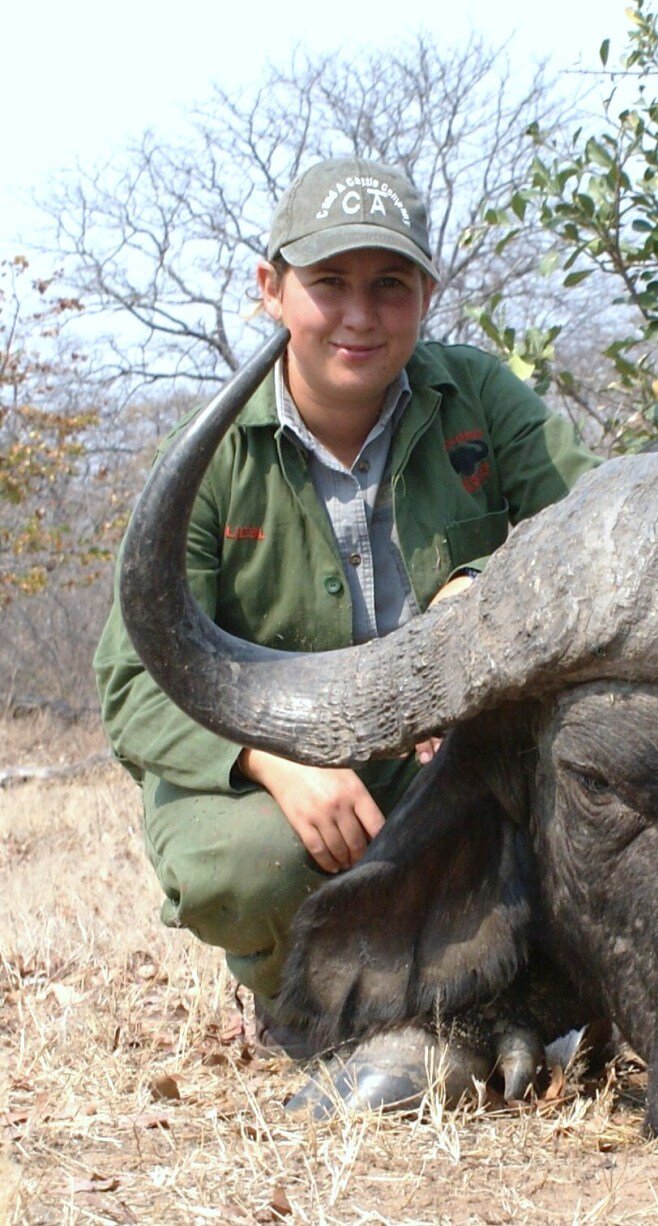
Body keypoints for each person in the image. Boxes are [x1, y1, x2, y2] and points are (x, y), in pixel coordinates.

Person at [93, 157, 601, 1067]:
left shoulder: (481, 398)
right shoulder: (211, 454)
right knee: (251, 866)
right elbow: (134, 678)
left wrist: (486, 584)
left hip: (456, 765)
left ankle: (504, 1001)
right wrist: (276, 761)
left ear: (426, 294)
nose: (360, 316)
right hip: (292, 780)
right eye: (328, 284)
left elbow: (602, 531)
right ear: (271, 289)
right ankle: (314, 1010)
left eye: (389, 286)